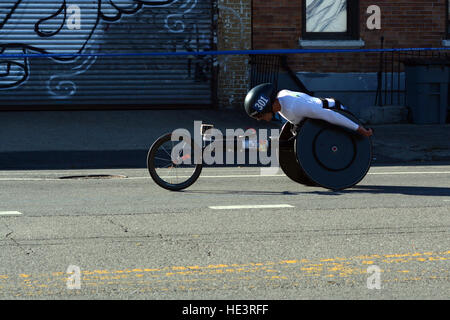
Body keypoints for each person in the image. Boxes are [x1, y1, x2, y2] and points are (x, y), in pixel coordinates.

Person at [244, 83, 373, 137]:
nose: (261, 120)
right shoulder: (281, 102)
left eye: (260, 116)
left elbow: (330, 116)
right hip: (320, 112)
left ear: (267, 106)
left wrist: (358, 128)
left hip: (335, 110)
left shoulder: (296, 106)